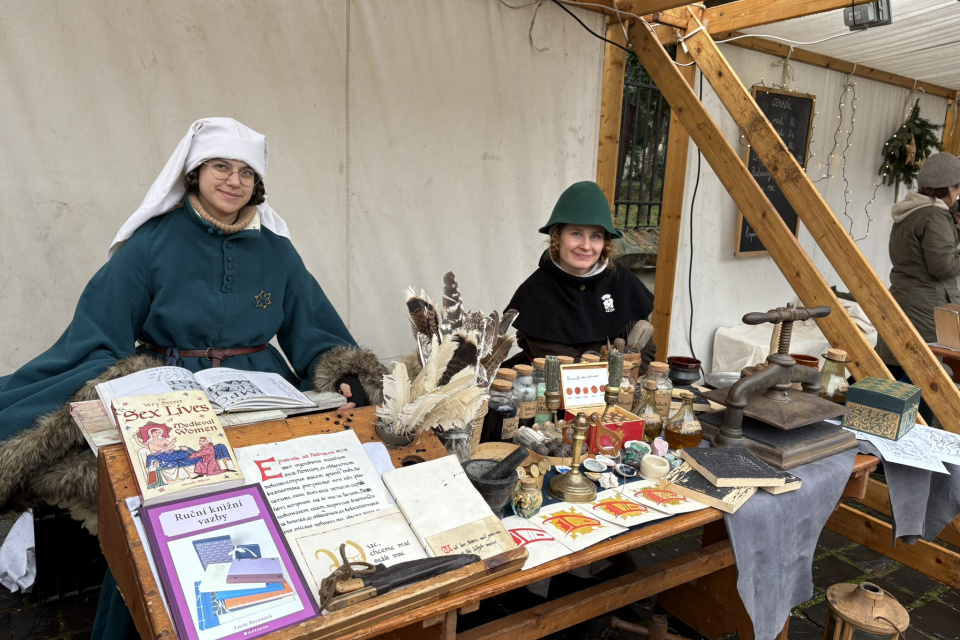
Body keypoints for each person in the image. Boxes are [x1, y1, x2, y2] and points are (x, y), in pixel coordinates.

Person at [0, 117, 384, 638]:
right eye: (221, 167)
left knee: (274, 506)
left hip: (261, 390)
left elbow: (312, 327)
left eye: (246, 172)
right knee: (171, 523)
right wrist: (117, 382)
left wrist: (346, 375)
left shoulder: (277, 250)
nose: (234, 180)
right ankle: (168, 622)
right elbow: (99, 329)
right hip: (171, 390)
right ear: (195, 172)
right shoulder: (153, 242)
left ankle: (262, 614)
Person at [505, 181, 657, 367]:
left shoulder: (623, 282)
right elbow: (564, 368)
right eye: (576, 234)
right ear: (558, 236)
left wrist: (623, 375)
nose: (586, 246)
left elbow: (646, 352)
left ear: (604, 242)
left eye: (595, 236)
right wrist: (613, 373)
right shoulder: (536, 292)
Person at [875, 152, 960, 422]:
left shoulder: (910, 211)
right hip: (926, 309)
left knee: (897, 372)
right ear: (950, 188)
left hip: (904, 300)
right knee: (923, 381)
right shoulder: (935, 216)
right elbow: (943, 266)